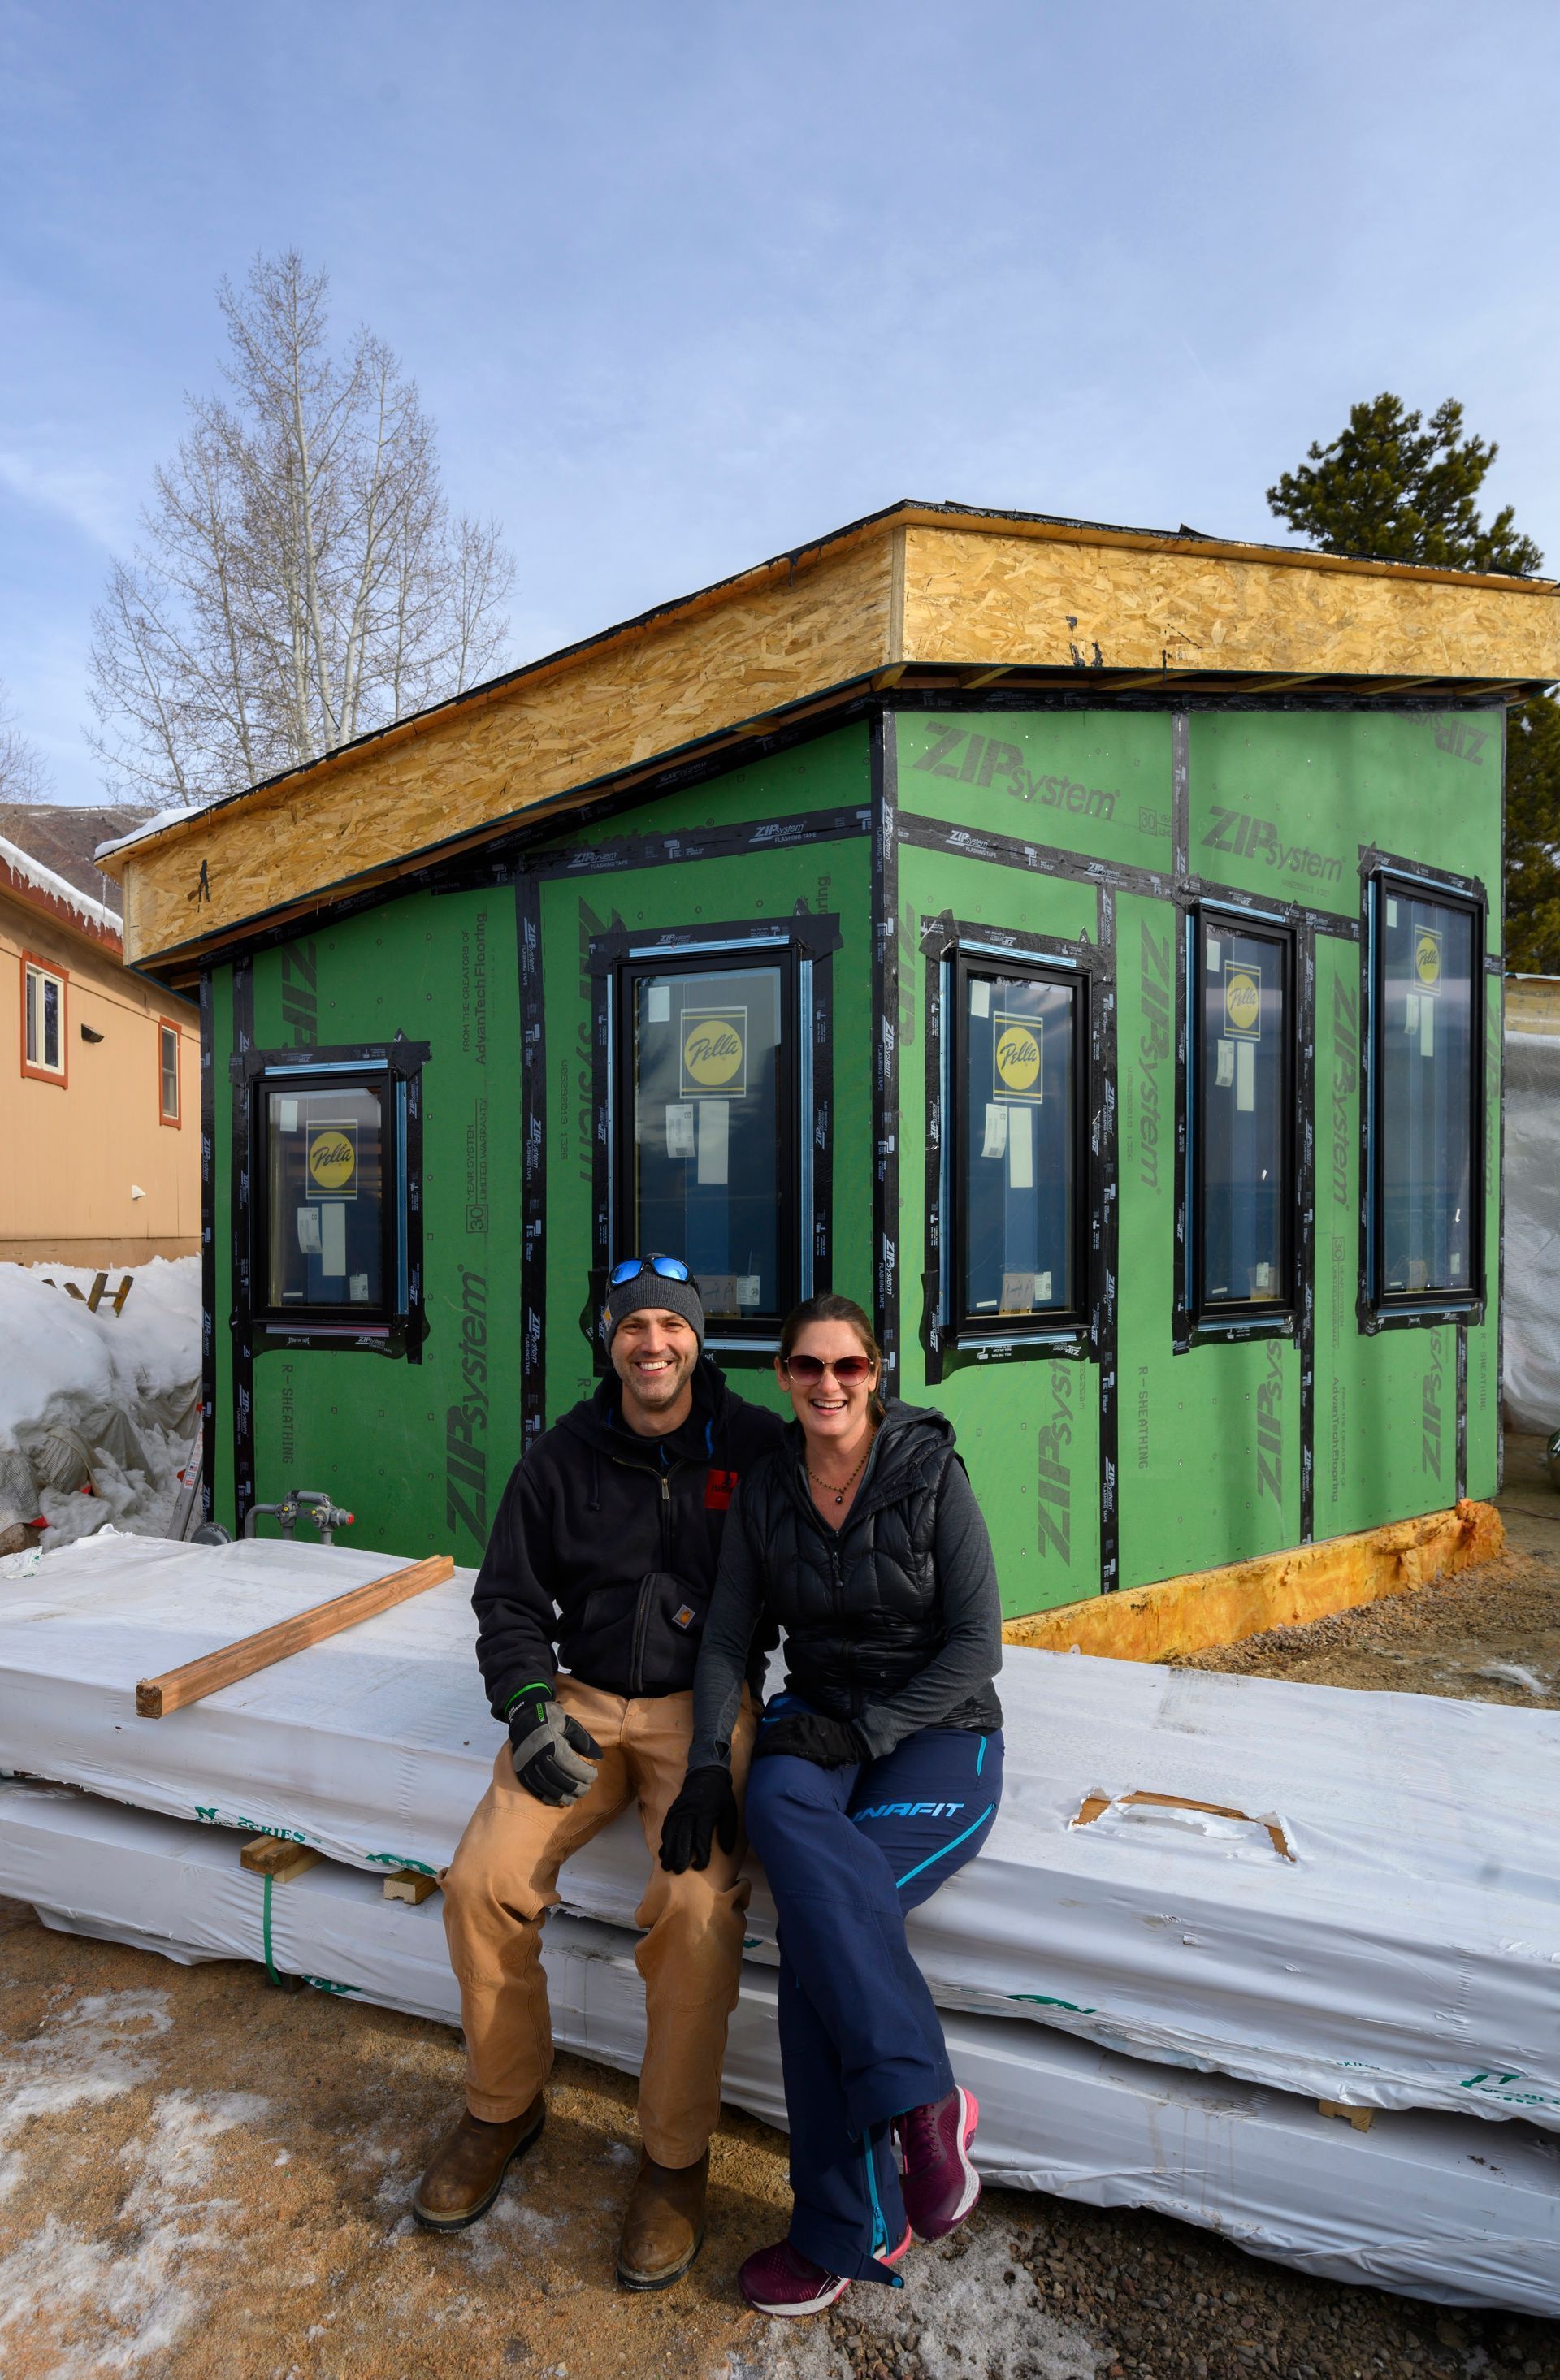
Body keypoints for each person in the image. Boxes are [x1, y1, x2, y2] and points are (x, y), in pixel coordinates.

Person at [416, 1257, 785, 2290]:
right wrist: (528, 1701)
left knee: (694, 1905)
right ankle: (502, 2105)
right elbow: (508, 1602)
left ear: (698, 1338)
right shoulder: (562, 1458)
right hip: (579, 1700)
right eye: (634, 1326)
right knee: (481, 1880)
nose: (653, 1342)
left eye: (672, 1323)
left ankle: (674, 2159)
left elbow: (844, 1493)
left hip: (702, 1706)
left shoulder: (751, 1445)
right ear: (609, 1340)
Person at [661, 1291, 1004, 2319]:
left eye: (848, 1366)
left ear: (875, 1373)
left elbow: (978, 1645)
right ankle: (929, 2107)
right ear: (784, 1375)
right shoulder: (768, 1488)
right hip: (813, 1721)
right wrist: (709, 1765)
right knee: (783, 1814)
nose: (829, 1385)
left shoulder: (930, 1472)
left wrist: (871, 1730)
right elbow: (729, 1638)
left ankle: (846, 2228)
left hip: (939, 1733)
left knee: (818, 1935)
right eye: (808, 1367)